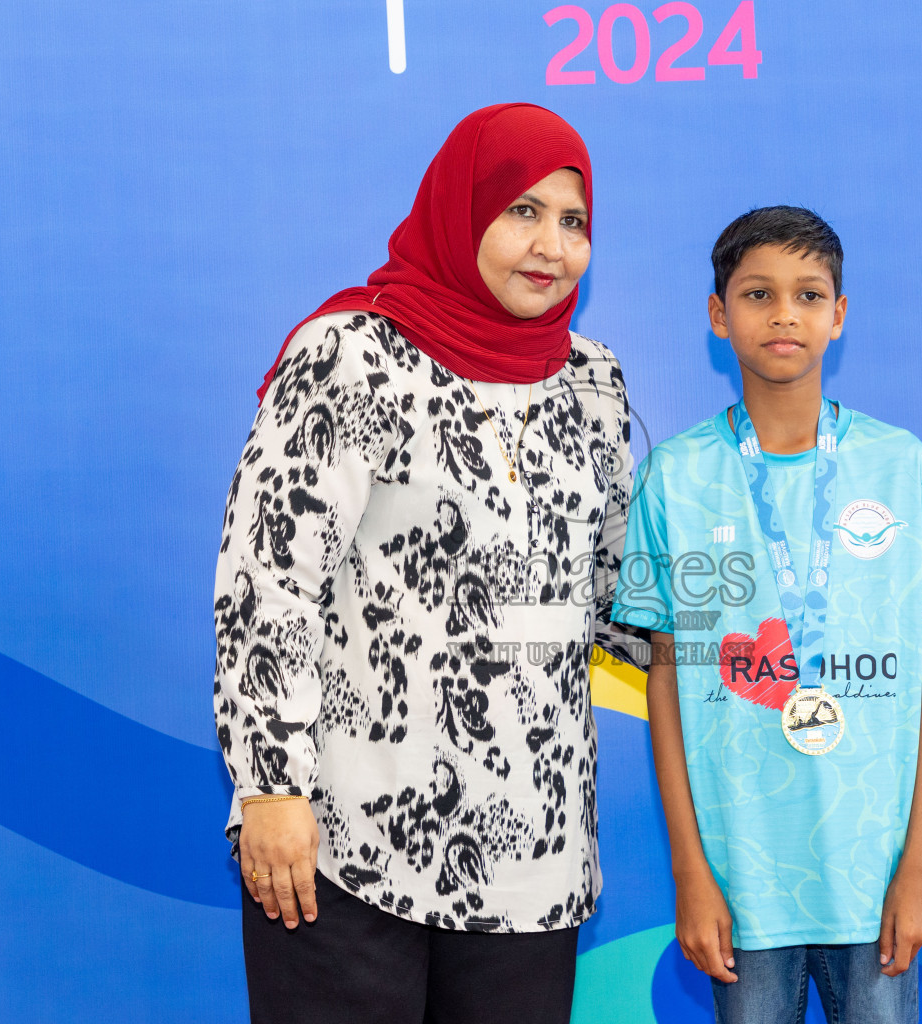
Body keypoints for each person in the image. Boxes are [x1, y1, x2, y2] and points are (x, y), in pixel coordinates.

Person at [212, 103, 644, 1024]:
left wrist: (755, 628)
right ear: (462, 209)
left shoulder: (593, 379)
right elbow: (269, 585)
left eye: (574, 222)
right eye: (522, 211)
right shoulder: (352, 355)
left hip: (534, 847)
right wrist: (273, 789)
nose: (551, 245)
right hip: (347, 842)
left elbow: (613, 594)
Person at [613, 206, 922, 1024]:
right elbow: (664, 684)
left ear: (839, 316)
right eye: (758, 293)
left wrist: (919, 866)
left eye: (809, 295)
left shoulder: (900, 466)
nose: (784, 314)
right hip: (744, 883)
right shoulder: (674, 477)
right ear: (718, 314)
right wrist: (692, 875)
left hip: (871, 879)